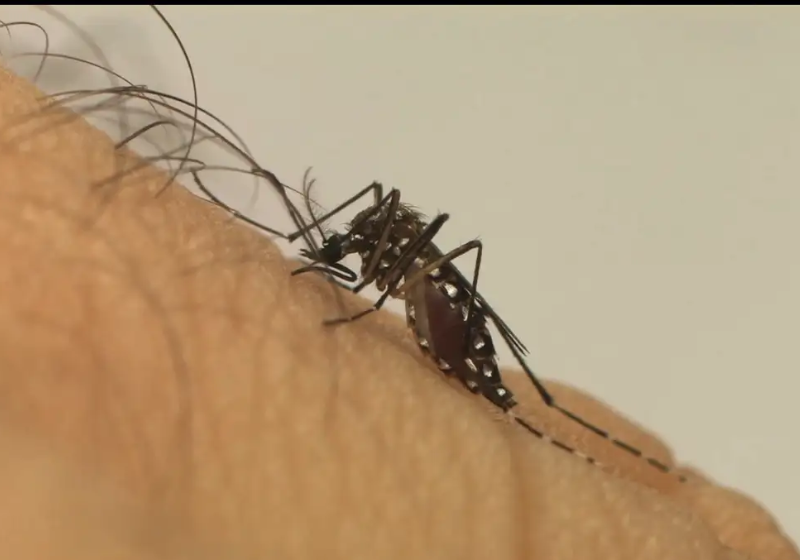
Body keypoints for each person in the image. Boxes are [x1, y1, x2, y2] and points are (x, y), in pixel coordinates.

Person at [0, 64, 794, 560]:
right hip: (425, 293)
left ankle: (540, 413)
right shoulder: (371, 238)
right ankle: (536, 409)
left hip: (441, 302)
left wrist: (370, 305)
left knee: (458, 274)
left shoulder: (395, 250)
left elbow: (421, 251)